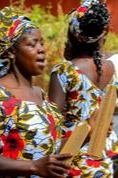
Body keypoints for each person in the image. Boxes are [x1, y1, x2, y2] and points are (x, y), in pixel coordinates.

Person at [0, 7, 72, 177]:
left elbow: (45, 147)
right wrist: (33, 167)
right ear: (11, 52)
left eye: (41, 43)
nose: (41, 49)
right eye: (32, 44)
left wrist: (89, 132)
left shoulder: (40, 94)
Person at [48, 0, 118, 177]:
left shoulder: (63, 71)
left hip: (74, 156)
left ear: (72, 34)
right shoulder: (111, 67)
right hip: (107, 154)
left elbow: (52, 125)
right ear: (103, 35)